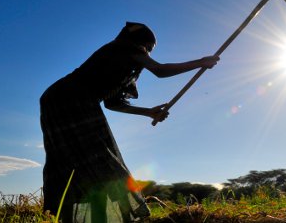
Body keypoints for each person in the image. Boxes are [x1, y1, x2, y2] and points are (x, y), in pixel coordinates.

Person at [40, 22, 218, 222]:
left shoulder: (119, 62)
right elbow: (160, 70)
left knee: (82, 161)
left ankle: (92, 218)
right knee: (97, 158)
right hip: (71, 98)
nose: (147, 54)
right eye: (148, 48)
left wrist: (148, 112)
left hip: (56, 99)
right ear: (138, 43)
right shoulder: (123, 48)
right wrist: (200, 62)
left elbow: (112, 104)